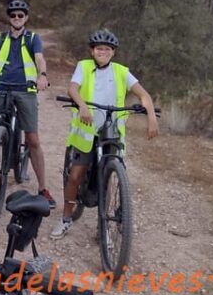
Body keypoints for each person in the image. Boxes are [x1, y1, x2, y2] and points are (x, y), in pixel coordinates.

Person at [50, 29, 159, 239]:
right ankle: (65, 219)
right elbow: (73, 88)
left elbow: (143, 94)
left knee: (109, 179)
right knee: (75, 176)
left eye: (107, 49)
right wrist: (82, 106)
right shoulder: (83, 66)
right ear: (92, 51)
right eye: (99, 49)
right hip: (87, 131)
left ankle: (103, 226)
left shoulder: (121, 71)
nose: (103, 52)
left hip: (112, 130)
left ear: (113, 52)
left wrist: (151, 117)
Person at [0, 0, 55, 207]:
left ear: (26, 18)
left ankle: (43, 188)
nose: (17, 18)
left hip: (25, 90)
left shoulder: (33, 38)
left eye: (21, 15)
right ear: (9, 18)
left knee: (33, 139)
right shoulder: (0, 38)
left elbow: (39, 59)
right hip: (1, 88)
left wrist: (42, 75)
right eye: (13, 15)